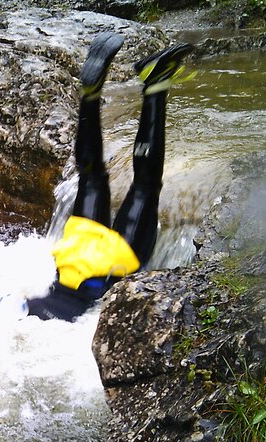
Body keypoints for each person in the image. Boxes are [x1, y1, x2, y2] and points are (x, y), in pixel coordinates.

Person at [26, 32, 194, 322]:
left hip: (109, 269)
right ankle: (90, 96)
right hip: (72, 254)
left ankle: (155, 86)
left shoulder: (39, 334)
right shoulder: (25, 312)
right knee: (91, 176)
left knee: (145, 186)